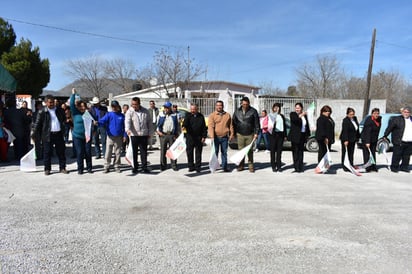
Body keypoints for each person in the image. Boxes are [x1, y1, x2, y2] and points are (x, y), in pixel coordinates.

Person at [32, 95, 68, 175]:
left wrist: (64, 128)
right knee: (47, 152)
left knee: (61, 152)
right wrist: (33, 134)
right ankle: (47, 169)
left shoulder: (60, 110)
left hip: (58, 134)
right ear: (45, 103)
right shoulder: (42, 111)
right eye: (50, 102)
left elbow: (63, 120)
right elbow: (37, 124)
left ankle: (62, 168)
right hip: (47, 135)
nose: (52, 104)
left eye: (53, 102)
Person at [125, 97, 153, 174]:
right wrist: (127, 129)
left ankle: (144, 167)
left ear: (139, 104)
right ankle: (135, 167)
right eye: (132, 104)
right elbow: (127, 121)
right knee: (134, 152)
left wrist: (150, 133)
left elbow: (149, 123)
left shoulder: (145, 111)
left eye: (135, 104)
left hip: (144, 134)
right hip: (134, 135)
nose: (133, 106)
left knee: (144, 152)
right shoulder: (129, 111)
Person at [232, 97, 260, 172]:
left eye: (246, 104)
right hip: (240, 134)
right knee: (241, 151)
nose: (245, 105)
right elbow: (234, 123)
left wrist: (256, 133)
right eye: (243, 104)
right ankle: (241, 166)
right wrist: (233, 133)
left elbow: (257, 124)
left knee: (250, 151)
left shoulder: (253, 111)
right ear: (241, 103)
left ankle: (251, 166)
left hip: (250, 134)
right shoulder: (237, 111)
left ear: (249, 103)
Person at [70, 88, 93, 174]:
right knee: (79, 153)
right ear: (79, 106)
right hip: (77, 136)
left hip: (87, 136)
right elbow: (72, 104)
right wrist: (73, 94)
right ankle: (80, 168)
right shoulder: (76, 113)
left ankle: (89, 167)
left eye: (84, 106)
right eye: (81, 106)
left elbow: (91, 124)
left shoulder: (87, 114)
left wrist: (93, 132)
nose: (83, 108)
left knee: (88, 152)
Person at [99, 100, 125, 173]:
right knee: (108, 152)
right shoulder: (109, 114)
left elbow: (125, 126)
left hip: (119, 137)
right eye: (112, 106)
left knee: (118, 152)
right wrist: (98, 122)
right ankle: (106, 166)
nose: (114, 108)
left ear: (118, 107)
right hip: (110, 136)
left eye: (115, 106)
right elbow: (102, 121)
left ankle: (116, 166)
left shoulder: (122, 116)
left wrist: (125, 136)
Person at [383, 106, 412, 173]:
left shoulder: (411, 119)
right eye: (405, 112)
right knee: (397, 155)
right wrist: (385, 135)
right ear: (402, 112)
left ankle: (404, 167)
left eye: (408, 112)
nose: (406, 113)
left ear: (410, 113)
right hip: (399, 140)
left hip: (409, 141)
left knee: (406, 156)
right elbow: (390, 128)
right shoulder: (397, 119)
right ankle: (394, 167)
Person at [208, 100, 234, 172]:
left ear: (223, 106)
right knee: (215, 153)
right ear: (215, 106)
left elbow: (231, 126)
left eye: (220, 105)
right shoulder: (212, 115)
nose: (219, 107)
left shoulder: (227, 115)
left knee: (224, 153)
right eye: (218, 105)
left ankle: (224, 167)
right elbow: (211, 127)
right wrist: (212, 137)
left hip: (225, 137)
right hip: (215, 137)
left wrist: (232, 134)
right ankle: (214, 167)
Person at [183, 103, 207, 172]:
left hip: (199, 137)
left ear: (197, 109)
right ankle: (191, 166)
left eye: (194, 109)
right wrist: (184, 125)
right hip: (190, 137)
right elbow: (185, 123)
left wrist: (204, 136)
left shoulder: (201, 116)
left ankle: (198, 167)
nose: (192, 110)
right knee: (189, 152)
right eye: (191, 109)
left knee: (198, 153)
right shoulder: (188, 115)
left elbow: (204, 127)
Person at [157, 101, 180, 171]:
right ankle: (163, 165)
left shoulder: (174, 115)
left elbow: (178, 126)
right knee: (163, 151)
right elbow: (157, 124)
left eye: (167, 108)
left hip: (172, 135)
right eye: (165, 108)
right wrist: (158, 131)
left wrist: (177, 134)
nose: (166, 109)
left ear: (170, 108)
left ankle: (174, 165)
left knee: (173, 150)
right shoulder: (161, 115)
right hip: (163, 134)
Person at [288, 102, 310, 173]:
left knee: (301, 152)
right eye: (296, 108)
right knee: (295, 152)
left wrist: (307, 134)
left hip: (302, 136)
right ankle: (296, 167)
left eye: (299, 108)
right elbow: (295, 120)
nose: (297, 109)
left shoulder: (304, 116)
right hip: (295, 136)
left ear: (301, 108)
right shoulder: (293, 114)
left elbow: (306, 125)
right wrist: (301, 115)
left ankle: (301, 167)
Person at [360, 108, 381, 172]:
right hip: (366, 139)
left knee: (373, 153)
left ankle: (373, 166)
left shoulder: (379, 119)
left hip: (374, 139)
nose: (376, 115)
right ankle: (367, 167)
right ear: (372, 114)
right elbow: (367, 132)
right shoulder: (369, 120)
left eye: (377, 113)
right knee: (366, 154)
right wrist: (367, 142)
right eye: (375, 113)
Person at [339, 107, 360, 171]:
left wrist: (358, 137)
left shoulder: (355, 119)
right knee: (345, 153)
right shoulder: (345, 120)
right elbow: (345, 130)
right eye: (350, 114)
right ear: (347, 114)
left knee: (351, 153)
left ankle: (351, 164)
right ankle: (345, 166)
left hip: (353, 139)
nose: (352, 115)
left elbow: (357, 128)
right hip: (346, 139)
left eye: (353, 114)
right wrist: (346, 140)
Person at [268, 103, 287, 172]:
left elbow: (284, 126)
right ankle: (273, 166)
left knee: (279, 151)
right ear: (273, 108)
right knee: (272, 151)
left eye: (278, 107)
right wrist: (274, 122)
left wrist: (285, 135)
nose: (276, 108)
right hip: (273, 135)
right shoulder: (271, 116)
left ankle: (279, 166)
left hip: (280, 135)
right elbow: (269, 127)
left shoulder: (282, 116)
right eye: (275, 107)